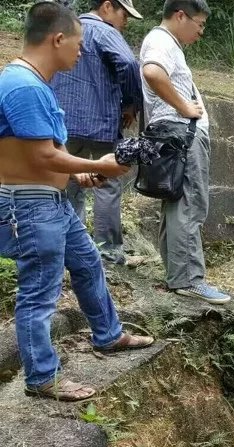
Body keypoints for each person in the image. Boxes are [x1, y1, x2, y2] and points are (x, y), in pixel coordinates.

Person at [0, 1, 151, 402]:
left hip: (50, 202)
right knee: (39, 293)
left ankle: (108, 334)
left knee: (87, 262)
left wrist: (78, 174)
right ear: (58, 38)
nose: (81, 51)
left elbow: (47, 149)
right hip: (29, 206)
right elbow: (42, 156)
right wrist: (99, 163)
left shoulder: (36, 83)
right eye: (79, 43)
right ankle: (42, 378)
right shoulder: (23, 85)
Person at [140, 0, 230, 303]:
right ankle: (189, 280)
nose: (201, 31)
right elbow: (153, 73)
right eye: (199, 23)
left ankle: (178, 275)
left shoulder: (167, 43)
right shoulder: (161, 40)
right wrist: (184, 106)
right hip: (183, 135)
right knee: (190, 205)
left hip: (176, 135)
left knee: (177, 204)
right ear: (181, 15)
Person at [49, 0, 143, 266]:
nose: (125, 23)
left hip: (65, 121)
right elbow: (127, 61)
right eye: (124, 15)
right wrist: (130, 103)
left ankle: (71, 249)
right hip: (100, 121)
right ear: (107, 7)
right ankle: (108, 251)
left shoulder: (67, 27)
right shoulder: (105, 31)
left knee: (67, 183)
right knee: (107, 185)